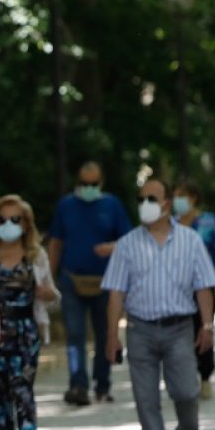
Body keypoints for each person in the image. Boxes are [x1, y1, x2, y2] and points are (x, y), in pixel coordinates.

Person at [103, 178, 215, 430]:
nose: (145, 205)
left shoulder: (190, 241)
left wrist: (207, 325)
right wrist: (112, 335)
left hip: (179, 328)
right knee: (146, 399)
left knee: (186, 393)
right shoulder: (127, 245)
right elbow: (116, 293)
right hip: (140, 329)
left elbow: (204, 285)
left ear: (167, 204)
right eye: (141, 199)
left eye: (151, 199)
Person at [0, 194, 59, 430]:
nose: (8, 225)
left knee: (23, 392)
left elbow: (52, 294)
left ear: (26, 224)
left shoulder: (35, 256)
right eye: (2, 220)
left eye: (15, 219)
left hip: (25, 332)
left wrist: (45, 293)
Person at [47, 161, 132, 406]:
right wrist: (50, 278)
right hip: (72, 279)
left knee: (106, 333)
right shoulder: (66, 206)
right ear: (78, 183)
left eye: (93, 184)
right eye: (84, 184)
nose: (89, 188)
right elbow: (55, 243)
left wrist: (111, 248)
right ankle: (78, 385)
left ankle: (102, 385)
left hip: (106, 282)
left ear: (101, 183)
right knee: (75, 336)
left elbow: (129, 241)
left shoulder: (112, 205)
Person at [173, 182, 215, 400]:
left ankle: (205, 374)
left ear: (193, 197)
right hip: (177, 287)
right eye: (175, 196)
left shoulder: (210, 222)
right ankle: (184, 377)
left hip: (205, 286)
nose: (178, 200)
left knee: (203, 328)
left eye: (182, 196)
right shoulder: (170, 224)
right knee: (180, 333)